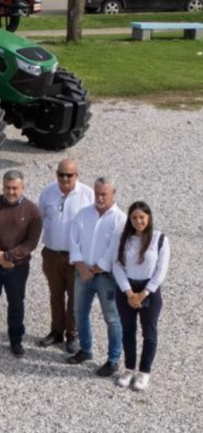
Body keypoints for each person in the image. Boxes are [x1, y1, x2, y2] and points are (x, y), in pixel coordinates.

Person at [0, 170, 42, 356]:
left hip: (17, 267)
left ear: (22, 188)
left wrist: (8, 257)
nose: (11, 191)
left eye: (15, 188)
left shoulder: (32, 211)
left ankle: (16, 340)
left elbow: (31, 242)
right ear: (2, 186)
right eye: (7, 187)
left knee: (16, 303)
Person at [66, 177, 127, 377]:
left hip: (106, 278)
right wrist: (81, 266)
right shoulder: (83, 214)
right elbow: (73, 240)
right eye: (97, 193)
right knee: (79, 312)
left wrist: (95, 269)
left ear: (113, 194)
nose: (99, 198)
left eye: (104, 194)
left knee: (112, 318)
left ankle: (113, 359)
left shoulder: (120, 219)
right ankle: (86, 350)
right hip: (82, 273)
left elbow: (113, 249)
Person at [37, 159, 95, 354]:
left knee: (74, 296)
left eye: (69, 175)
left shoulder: (87, 195)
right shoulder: (47, 193)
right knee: (55, 294)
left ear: (76, 175)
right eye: (61, 174)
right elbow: (38, 218)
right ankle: (56, 331)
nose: (64, 178)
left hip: (76, 257)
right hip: (52, 254)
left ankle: (72, 334)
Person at [112, 201, 170, 391]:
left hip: (149, 291)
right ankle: (129, 369)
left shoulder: (160, 239)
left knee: (149, 332)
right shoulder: (123, 238)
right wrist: (129, 293)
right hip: (126, 289)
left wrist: (143, 294)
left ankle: (144, 372)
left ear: (148, 217)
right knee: (128, 331)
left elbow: (161, 271)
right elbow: (116, 265)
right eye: (134, 217)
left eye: (142, 217)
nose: (138, 221)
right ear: (130, 219)